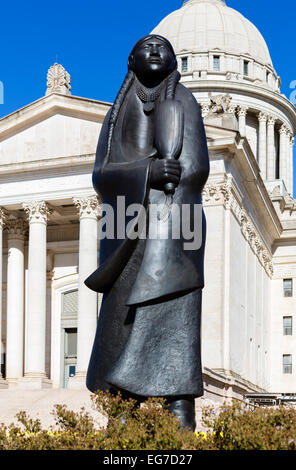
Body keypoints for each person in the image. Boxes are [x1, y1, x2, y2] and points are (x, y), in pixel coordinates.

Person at [85, 34, 209, 430]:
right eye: (147, 46)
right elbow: (100, 175)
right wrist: (147, 172)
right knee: (120, 325)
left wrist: (172, 174)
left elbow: (198, 166)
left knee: (175, 323)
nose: (155, 51)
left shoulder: (185, 101)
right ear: (131, 59)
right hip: (126, 231)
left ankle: (180, 415)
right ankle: (122, 416)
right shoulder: (116, 111)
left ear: (174, 61)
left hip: (175, 231)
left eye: (163, 47)